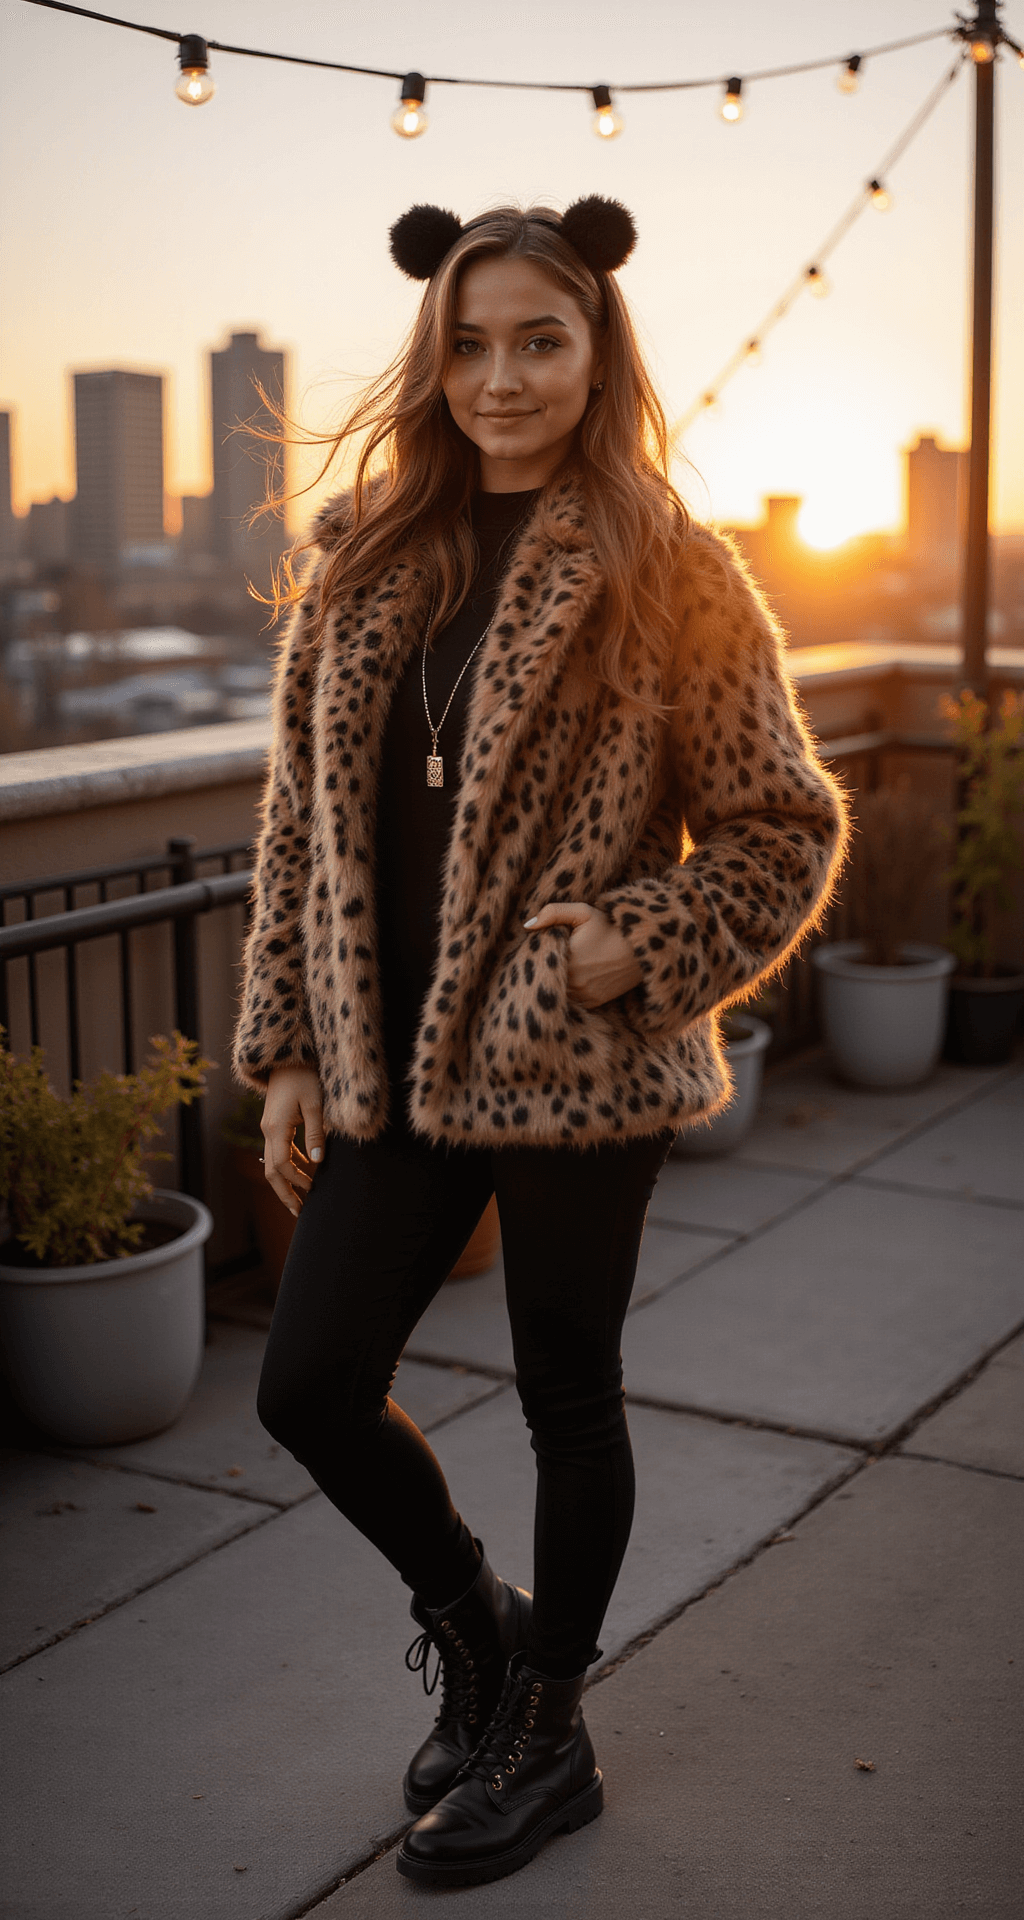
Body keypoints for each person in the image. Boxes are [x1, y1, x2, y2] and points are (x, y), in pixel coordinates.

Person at [232, 195, 848, 1889]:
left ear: (598, 351)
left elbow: (785, 830)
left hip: (573, 1062)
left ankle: (549, 1727)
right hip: (384, 1058)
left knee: (570, 1390)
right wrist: (285, 1038)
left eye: (541, 340)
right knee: (309, 1388)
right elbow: (300, 830)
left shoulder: (670, 566)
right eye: (472, 340)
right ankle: (480, 1630)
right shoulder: (364, 557)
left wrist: (638, 940)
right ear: (436, 352)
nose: (501, 375)